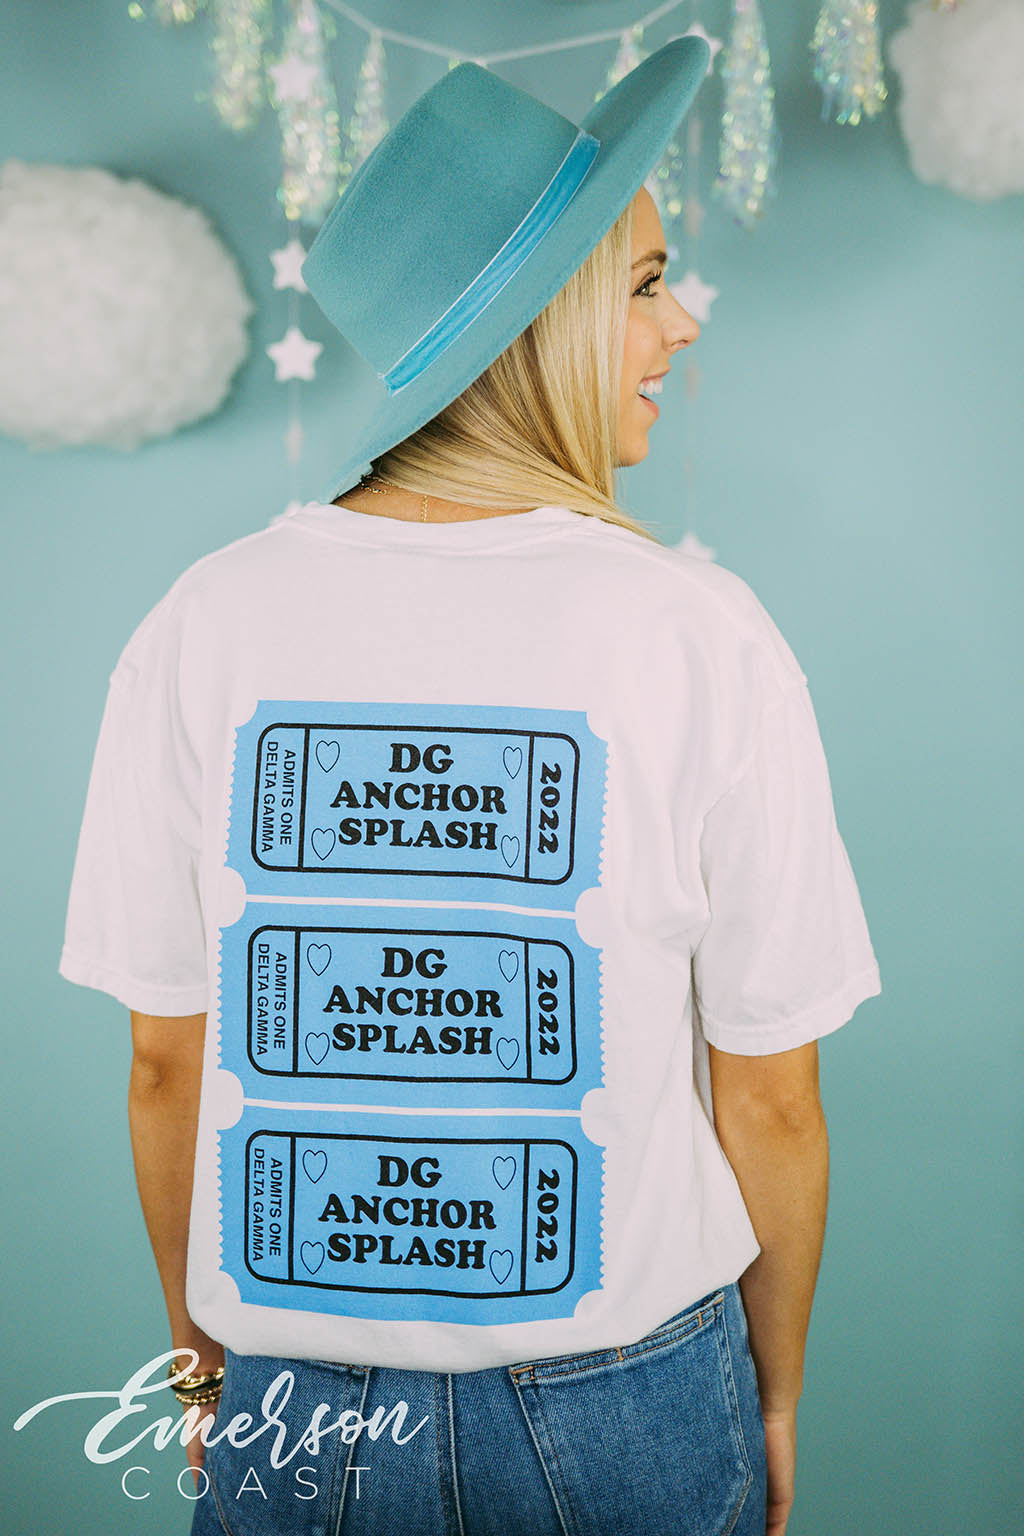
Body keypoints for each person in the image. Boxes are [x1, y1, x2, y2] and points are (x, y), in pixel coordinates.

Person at [58, 39, 881, 1536]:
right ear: (545, 318)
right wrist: (773, 1397)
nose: (682, 324)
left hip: (291, 1398)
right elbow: (770, 1091)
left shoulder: (203, 621)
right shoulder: (700, 632)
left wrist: (202, 1371)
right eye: (645, 284)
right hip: (631, 1400)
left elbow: (167, 1065)